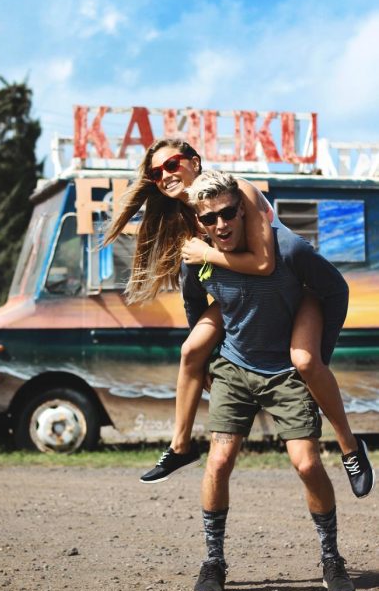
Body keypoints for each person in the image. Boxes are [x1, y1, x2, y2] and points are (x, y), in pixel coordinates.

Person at [105, 138, 374, 498]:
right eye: (156, 173)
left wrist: (205, 253)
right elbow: (194, 292)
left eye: (172, 165)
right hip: (245, 295)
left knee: (306, 361)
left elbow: (264, 265)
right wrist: (212, 357)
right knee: (191, 350)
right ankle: (180, 446)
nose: (165, 176)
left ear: (194, 161)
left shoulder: (237, 190)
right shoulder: (187, 214)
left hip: (294, 286)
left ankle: (350, 447)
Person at [183, 169, 365, 591]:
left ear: (244, 210)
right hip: (235, 366)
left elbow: (334, 290)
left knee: (305, 464)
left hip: (286, 371)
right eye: (209, 219)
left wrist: (320, 353)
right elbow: (194, 306)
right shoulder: (198, 261)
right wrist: (207, 357)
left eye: (228, 213)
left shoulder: (288, 251)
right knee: (219, 460)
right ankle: (214, 563)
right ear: (199, 224)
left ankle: (331, 559)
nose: (221, 225)